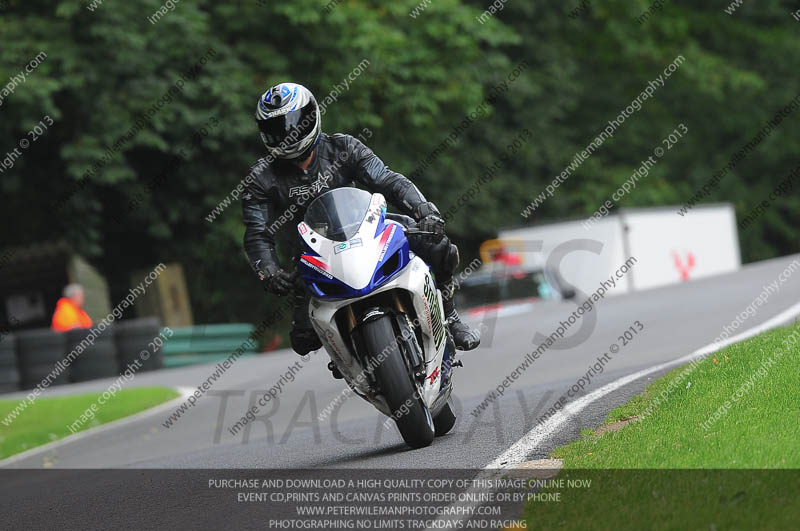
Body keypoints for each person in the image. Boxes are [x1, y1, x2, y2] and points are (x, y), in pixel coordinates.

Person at [242, 82, 481, 368]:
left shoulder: (343, 146)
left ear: (311, 116)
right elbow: (257, 233)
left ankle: (450, 316)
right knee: (304, 340)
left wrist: (422, 209)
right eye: (277, 129)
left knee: (438, 245)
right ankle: (346, 352)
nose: (287, 134)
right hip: (313, 255)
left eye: (293, 124)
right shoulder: (260, 178)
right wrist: (268, 271)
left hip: (368, 230)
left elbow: (387, 180)